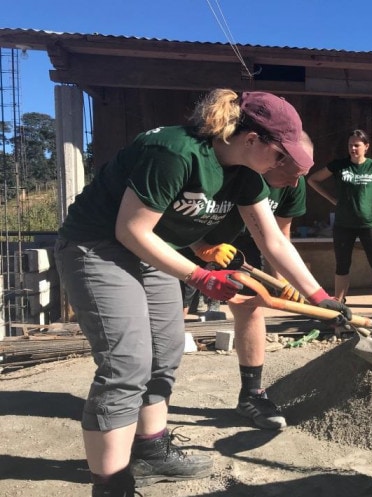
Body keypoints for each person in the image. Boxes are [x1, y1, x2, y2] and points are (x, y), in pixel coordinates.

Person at [54, 89, 350, 497]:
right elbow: (130, 230)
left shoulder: (247, 173)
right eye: (281, 155)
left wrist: (321, 298)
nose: (283, 167)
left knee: (166, 350)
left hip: (154, 249)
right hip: (100, 247)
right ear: (251, 140)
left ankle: (151, 450)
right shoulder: (175, 151)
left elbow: (274, 242)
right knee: (126, 364)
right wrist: (201, 276)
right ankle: (111, 484)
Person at [189, 132, 311, 431]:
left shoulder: (293, 185)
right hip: (189, 244)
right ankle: (147, 406)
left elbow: (280, 237)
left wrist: (282, 285)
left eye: (302, 175)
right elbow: (182, 217)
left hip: (241, 252)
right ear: (274, 159)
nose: (297, 182)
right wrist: (202, 250)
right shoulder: (235, 172)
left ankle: (252, 395)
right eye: (293, 172)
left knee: (251, 307)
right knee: (169, 321)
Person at [307, 128, 372, 319]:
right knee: (342, 264)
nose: (353, 148)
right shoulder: (339, 166)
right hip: (344, 224)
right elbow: (312, 179)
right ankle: (339, 303)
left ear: (366, 147)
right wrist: (332, 199)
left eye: (357, 145)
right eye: (350, 145)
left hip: (370, 223)